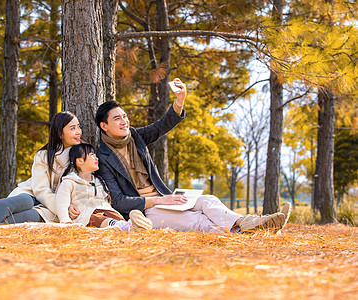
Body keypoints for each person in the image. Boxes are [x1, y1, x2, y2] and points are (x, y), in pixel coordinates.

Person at [90, 78, 291, 233]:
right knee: (197, 221)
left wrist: (180, 100)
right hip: (146, 210)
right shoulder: (103, 157)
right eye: (117, 118)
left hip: (165, 197)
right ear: (104, 126)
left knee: (207, 201)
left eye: (125, 116)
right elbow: (118, 201)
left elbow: (161, 127)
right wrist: (159, 201)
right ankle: (251, 230)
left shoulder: (134, 135)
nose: (124, 121)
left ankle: (249, 223)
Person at [0, 111, 82, 228]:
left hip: (51, 209)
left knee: (28, 216)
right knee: (25, 201)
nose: (78, 132)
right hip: (33, 195)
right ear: (60, 133)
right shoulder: (43, 155)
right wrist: (62, 207)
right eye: (72, 128)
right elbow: (41, 190)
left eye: (78, 127)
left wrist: (64, 207)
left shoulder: (82, 156)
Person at [55, 143, 153, 231]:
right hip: (87, 215)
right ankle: (124, 226)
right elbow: (61, 203)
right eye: (92, 155)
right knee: (98, 219)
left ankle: (133, 224)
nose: (96, 158)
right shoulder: (69, 182)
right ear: (80, 161)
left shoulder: (99, 181)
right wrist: (66, 221)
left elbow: (106, 201)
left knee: (116, 217)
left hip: (106, 210)